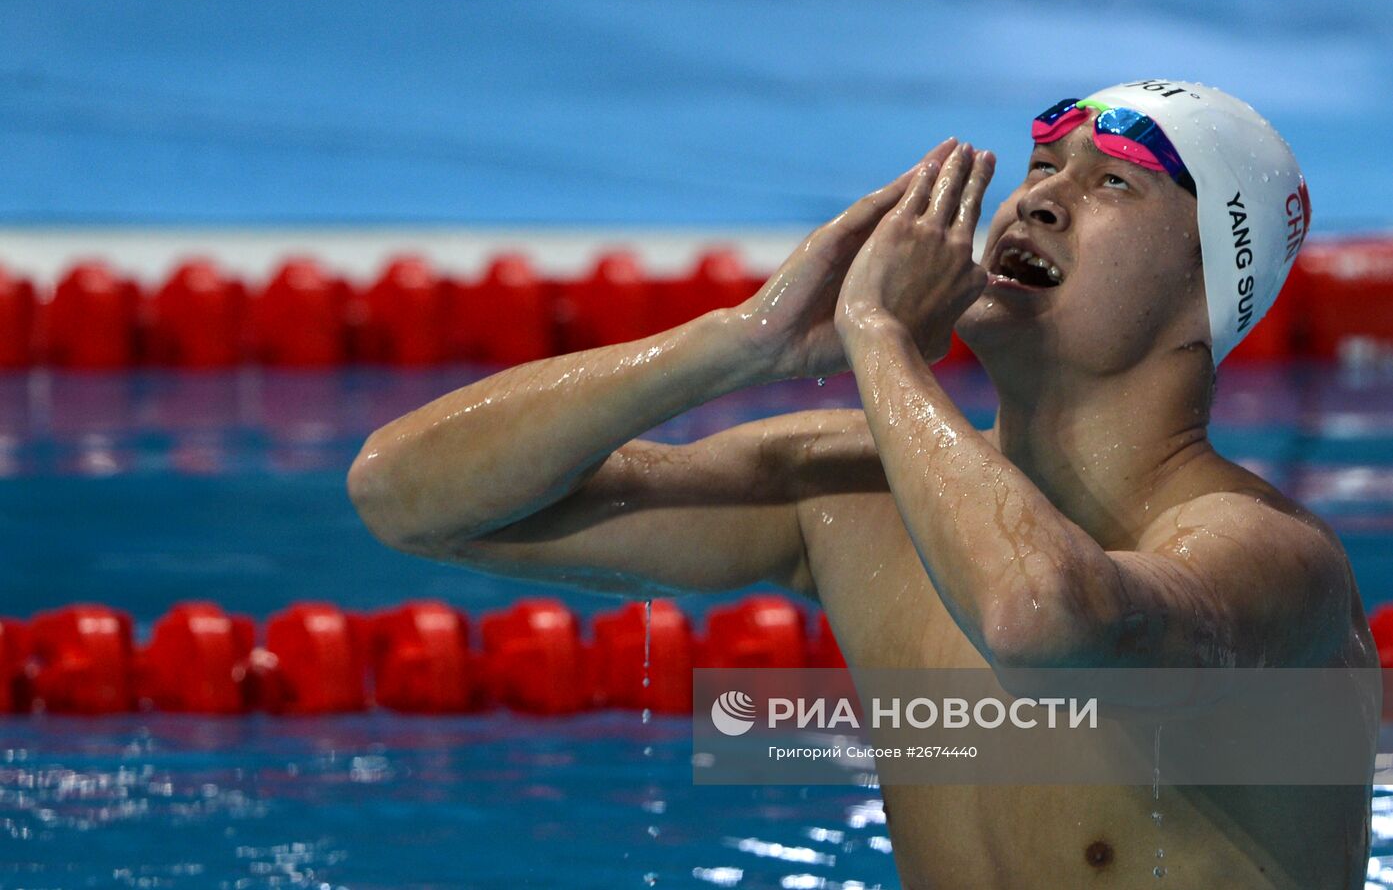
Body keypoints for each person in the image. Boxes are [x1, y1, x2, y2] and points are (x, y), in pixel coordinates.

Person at [348, 80, 1377, 888]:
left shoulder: (1267, 558)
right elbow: (404, 495)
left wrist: (878, 339)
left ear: (1210, 289)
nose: (1040, 199)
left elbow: (1043, 617)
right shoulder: (849, 497)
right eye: (1039, 165)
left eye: (1111, 182)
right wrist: (737, 343)